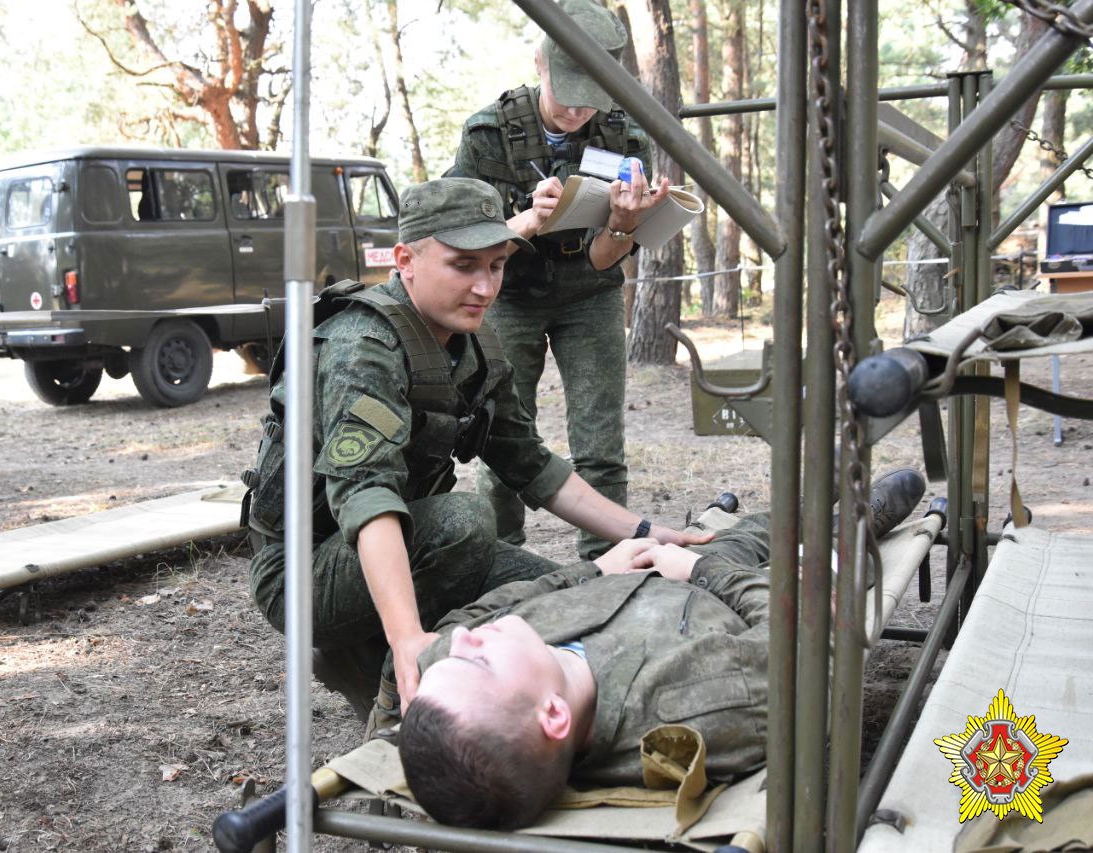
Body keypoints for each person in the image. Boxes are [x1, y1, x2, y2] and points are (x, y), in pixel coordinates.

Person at [244, 177, 710, 717]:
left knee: (575, 600)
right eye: (463, 266)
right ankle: (376, 656)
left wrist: (650, 534)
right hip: (302, 572)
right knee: (465, 520)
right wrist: (407, 641)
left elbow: (530, 464)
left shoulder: (476, 343)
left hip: (414, 544)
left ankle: (385, 645)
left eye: (496, 265)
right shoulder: (361, 346)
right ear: (406, 260)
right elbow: (366, 498)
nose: (486, 287)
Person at [396, 469, 928, 831]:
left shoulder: (468, 676)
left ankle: (815, 495)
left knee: (754, 528)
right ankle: (851, 526)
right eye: (478, 659)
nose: (465, 641)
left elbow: (457, 626)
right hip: (744, 592)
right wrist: (700, 570)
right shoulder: (692, 704)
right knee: (805, 554)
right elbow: (808, 642)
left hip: (654, 572)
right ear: (554, 715)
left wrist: (597, 568)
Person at [448, 0, 673, 561]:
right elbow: (454, 236)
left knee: (600, 445)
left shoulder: (627, 143)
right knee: (501, 434)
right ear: (539, 63)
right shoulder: (487, 135)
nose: (576, 109)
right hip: (509, 298)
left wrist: (623, 224)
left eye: (590, 95)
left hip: (589, 298)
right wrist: (523, 220)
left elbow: (602, 262)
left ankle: (608, 559)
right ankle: (500, 561)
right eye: (566, 89)